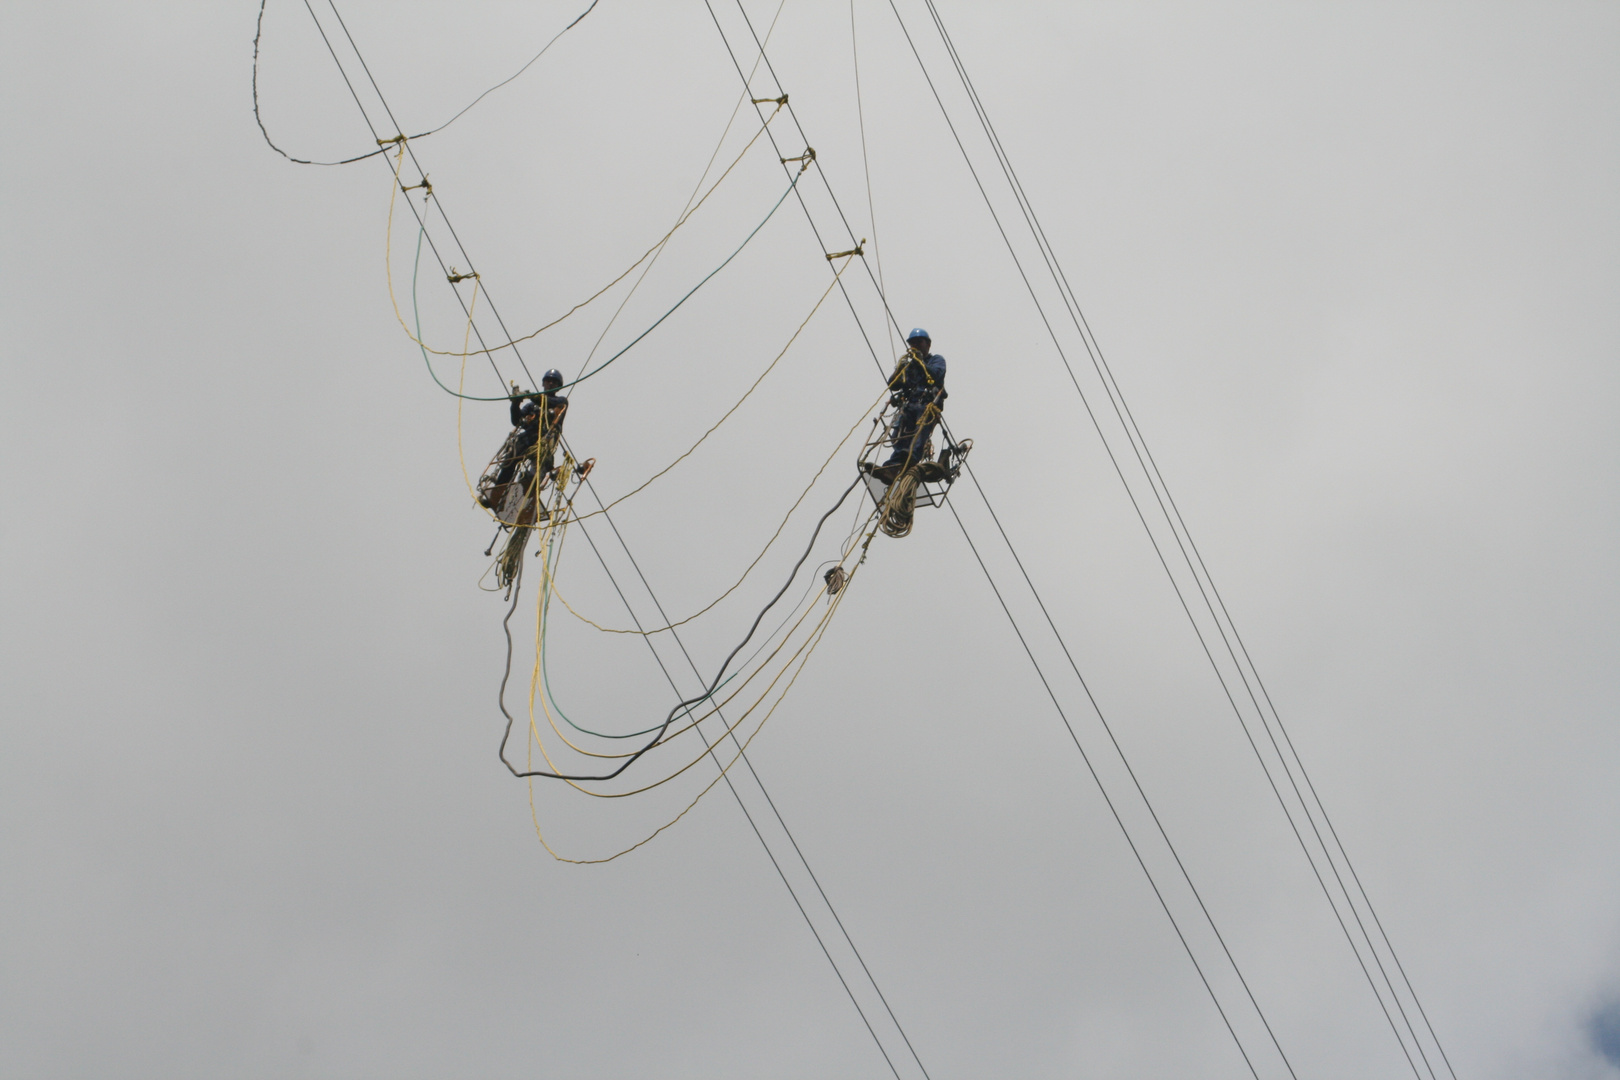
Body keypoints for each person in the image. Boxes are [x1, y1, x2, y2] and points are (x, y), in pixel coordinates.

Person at [488, 369, 568, 495]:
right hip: (528, 438)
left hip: (544, 440)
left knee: (539, 466)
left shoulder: (561, 402)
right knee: (511, 457)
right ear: (543, 383)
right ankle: (499, 490)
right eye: (548, 381)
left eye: (554, 382)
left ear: (558, 386)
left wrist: (530, 395)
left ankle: (528, 491)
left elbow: (547, 402)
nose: (551, 384)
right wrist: (515, 404)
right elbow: (516, 421)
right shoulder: (532, 406)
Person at [882, 328, 946, 472]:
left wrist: (920, 362)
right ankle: (893, 466)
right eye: (913, 344)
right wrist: (900, 368)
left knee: (920, 431)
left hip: (926, 404)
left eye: (919, 342)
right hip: (910, 404)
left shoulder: (936, 360)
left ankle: (912, 456)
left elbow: (936, 375)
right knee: (899, 436)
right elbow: (893, 384)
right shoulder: (910, 367)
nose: (916, 346)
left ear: (928, 344)